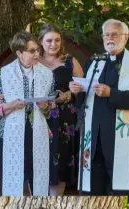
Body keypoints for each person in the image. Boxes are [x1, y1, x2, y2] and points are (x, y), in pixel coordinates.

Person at [69, 19, 129, 195]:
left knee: (118, 191)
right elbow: (84, 98)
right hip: (93, 136)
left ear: (125, 37)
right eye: (106, 34)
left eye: (114, 34)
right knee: (92, 190)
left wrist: (111, 93)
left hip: (119, 137)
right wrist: (78, 91)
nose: (110, 38)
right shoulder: (94, 62)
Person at [0, 32, 55, 196]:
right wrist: (11, 105)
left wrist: (45, 106)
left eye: (37, 50)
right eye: (32, 51)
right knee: (12, 176)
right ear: (19, 53)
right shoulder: (3, 73)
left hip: (38, 131)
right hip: (9, 132)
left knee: (38, 175)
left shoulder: (47, 74)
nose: (37, 54)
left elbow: (51, 107)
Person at [37, 24, 83, 195]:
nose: (53, 44)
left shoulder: (70, 61)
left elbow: (83, 87)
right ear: (41, 41)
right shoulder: (33, 61)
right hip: (39, 117)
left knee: (61, 164)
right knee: (39, 162)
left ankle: (56, 200)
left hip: (64, 119)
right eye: (49, 40)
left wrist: (70, 94)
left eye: (57, 40)